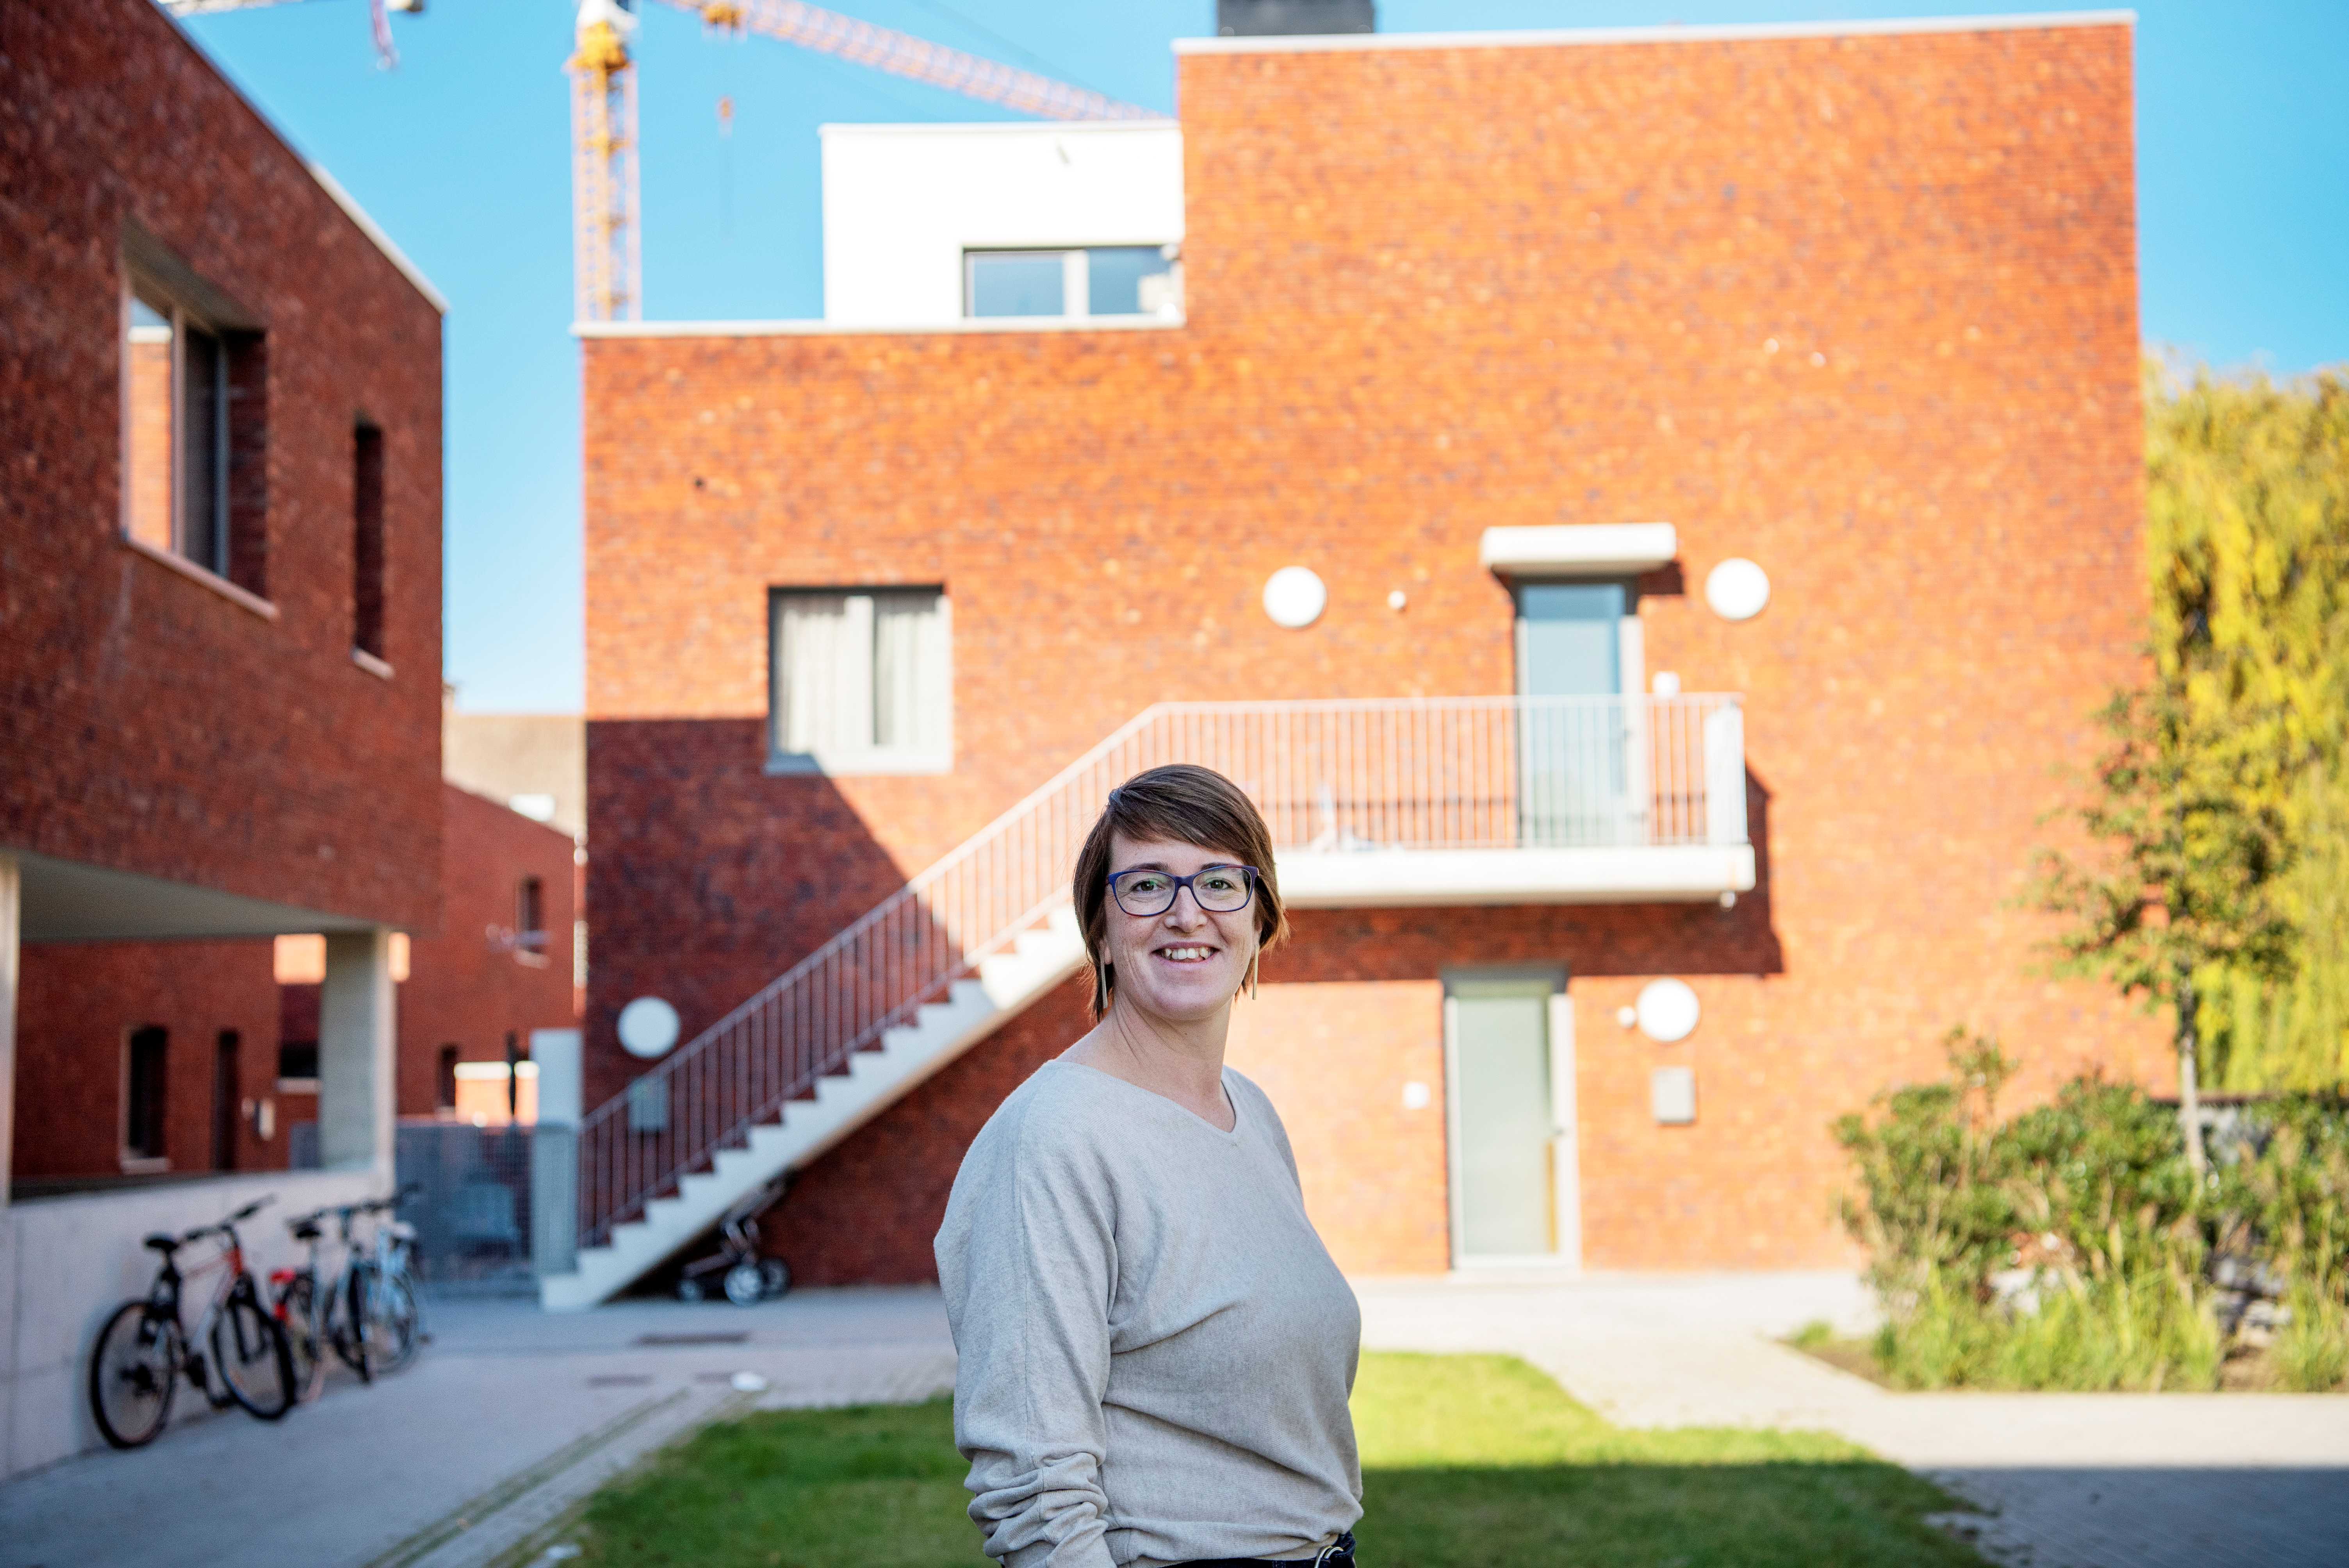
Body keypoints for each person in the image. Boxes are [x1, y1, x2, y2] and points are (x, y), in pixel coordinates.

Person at [935, 763, 1363, 1568]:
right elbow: (1035, 1489)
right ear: (1101, 931)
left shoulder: (1250, 1112)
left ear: (1260, 919)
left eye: (1219, 882)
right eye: (1146, 886)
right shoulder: (1053, 1137)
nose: (1186, 912)